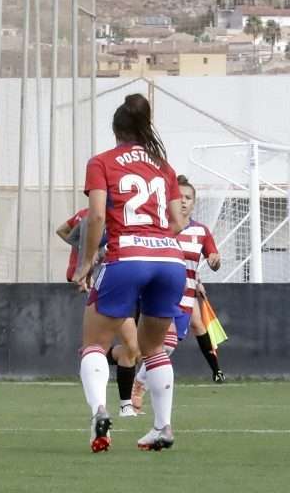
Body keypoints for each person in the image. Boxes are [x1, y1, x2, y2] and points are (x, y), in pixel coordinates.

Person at [72, 93, 188, 453]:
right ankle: (162, 427)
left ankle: (99, 413)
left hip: (126, 257)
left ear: (116, 131)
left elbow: (96, 216)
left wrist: (85, 262)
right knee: (154, 348)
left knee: (95, 343)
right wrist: (155, 244)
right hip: (171, 260)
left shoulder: (101, 162)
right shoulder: (163, 167)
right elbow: (178, 222)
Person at [131, 175, 225, 409]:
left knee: (167, 346)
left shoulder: (201, 232)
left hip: (186, 296)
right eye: (179, 196)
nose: (183, 201)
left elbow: (213, 257)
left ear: (194, 203)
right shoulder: (161, 228)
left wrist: (214, 261)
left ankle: (138, 380)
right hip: (159, 293)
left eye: (188, 197)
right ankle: (138, 387)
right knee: (165, 342)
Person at [59, 210, 142, 417]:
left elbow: (67, 233)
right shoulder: (92, 217)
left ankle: (96, 358)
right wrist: (86, 261)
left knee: (132, 348)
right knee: (130, 346)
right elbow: (79, 240)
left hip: (121, 287)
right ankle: (115, 406)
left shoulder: (125, 216)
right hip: (104, 287)